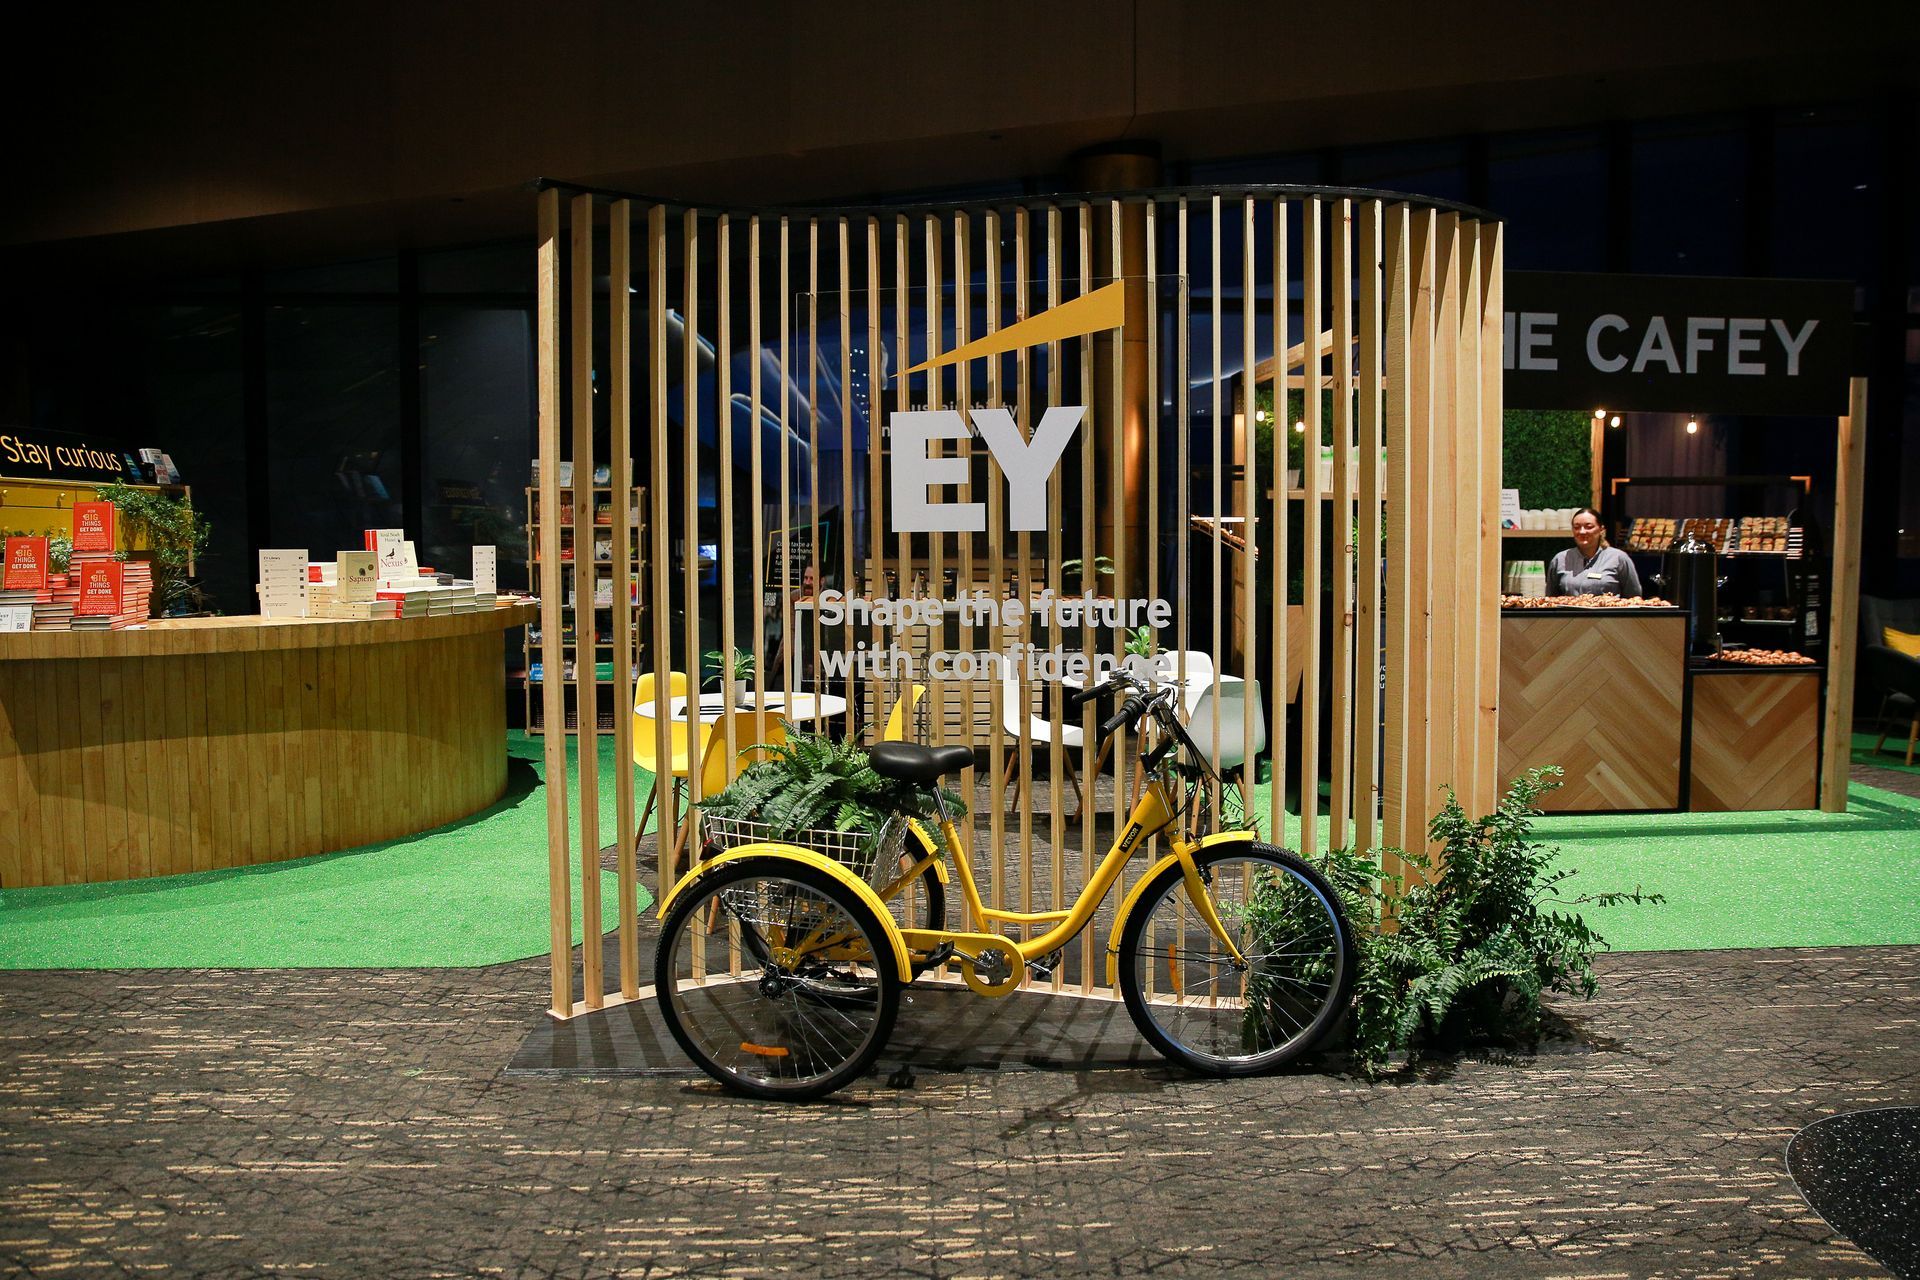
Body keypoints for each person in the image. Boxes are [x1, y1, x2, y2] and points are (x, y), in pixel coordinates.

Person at [1547, 508, 1642, 597]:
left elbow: (1634, 597)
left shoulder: (1618, 558)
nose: (1582, 531)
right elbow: (1551, 599)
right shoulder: (1560, 559)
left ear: (1601, 530)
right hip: (1569, 615)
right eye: (1577, 527)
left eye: (1589, 527)